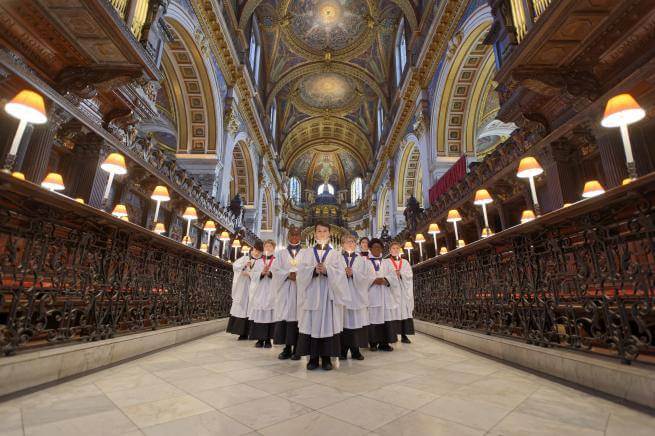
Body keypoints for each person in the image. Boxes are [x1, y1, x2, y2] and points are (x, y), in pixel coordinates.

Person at [296, 222, 348, 370]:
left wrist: (327, 270)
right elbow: (300, 272)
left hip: (328, 296)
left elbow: (341, 274)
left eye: (325, 231)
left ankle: (326, 358)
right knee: (311, 325)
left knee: (327, 324)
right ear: (314, 234)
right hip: (311, 293)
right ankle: (312, 358)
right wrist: (312, 270)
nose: (322, 234)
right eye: (319, 231)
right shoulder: (306, 253)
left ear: (329, 234)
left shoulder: (336, 254)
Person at [271, 226, 303, 360]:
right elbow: (275, 270)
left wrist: (299, 275)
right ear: (288, 236)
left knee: (299, 318)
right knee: (285, 317)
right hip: (285, 289)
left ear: (301, 237)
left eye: (297, 235)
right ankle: (286, 348)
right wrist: (288, 274)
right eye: (292, 235)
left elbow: (309, 269)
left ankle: (297, 348)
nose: (294, 237)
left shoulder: (306, 253)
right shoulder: (281, 253)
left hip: (300, 290)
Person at [364, 238, 400, 352]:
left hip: (385, 294)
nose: (377, 250)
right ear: (370, 249)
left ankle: (384, 343)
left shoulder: (387, 262)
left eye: (379, 248)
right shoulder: (365, 262)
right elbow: (361, 277)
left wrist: (386, 279)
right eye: (375, 247)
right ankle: (373, 343)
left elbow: (393, 276)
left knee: (385, 318)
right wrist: (373, 280)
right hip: (372, 294)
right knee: (373, 319)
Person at [340, 234, 368, 360]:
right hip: (342, 296)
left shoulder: (361, 259)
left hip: (356, 295)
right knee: (342, 323)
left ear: (355, 244)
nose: (350, 244)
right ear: (342, 245)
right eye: (347, 241)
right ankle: (342, 350)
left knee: (355, 324)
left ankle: (355, 350)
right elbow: (333, 275)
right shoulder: (337, 258)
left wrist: (353, 274)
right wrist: (343, 274)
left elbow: (364, 277)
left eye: (352, 241)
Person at [226, 241, 262, 340]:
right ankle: (242, 333)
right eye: (255, 250)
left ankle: (251, 333)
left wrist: (250, 274)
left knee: (251, 308)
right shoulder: (245, 258)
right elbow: (235, 266)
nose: (256, 253)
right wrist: (243, 267)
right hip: (243, 287)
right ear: (252, 249)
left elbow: (260, 275)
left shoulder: (260, 262)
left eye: (259, 251)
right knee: (242, 308)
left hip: (254, 288)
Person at [248, 239, 277, 348]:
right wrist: (261, 273)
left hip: (271, 290)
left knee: (270, 315)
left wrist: (270, 273)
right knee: (260, 314)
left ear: (274, 248)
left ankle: (268, 340)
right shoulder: (258, 261)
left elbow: (279, 275)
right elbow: (252, 274)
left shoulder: (276, 261)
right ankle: (260, 339)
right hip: (260, 291)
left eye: (270, 246)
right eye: (266, 246)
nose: (268, 248)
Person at [389, 241, 414, 344]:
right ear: (390, 250)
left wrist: (401, 274)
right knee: (393, 313)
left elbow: (410, 275)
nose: (395, 250)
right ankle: (393, 335)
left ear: (400, 250)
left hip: (403, 291)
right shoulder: (386, 262)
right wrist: (393, 276)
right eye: (393, 248)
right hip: (392, 292)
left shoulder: (405, 262)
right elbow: (384, 274)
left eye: (397, 248)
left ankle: (404, 335)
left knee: (404, 312)